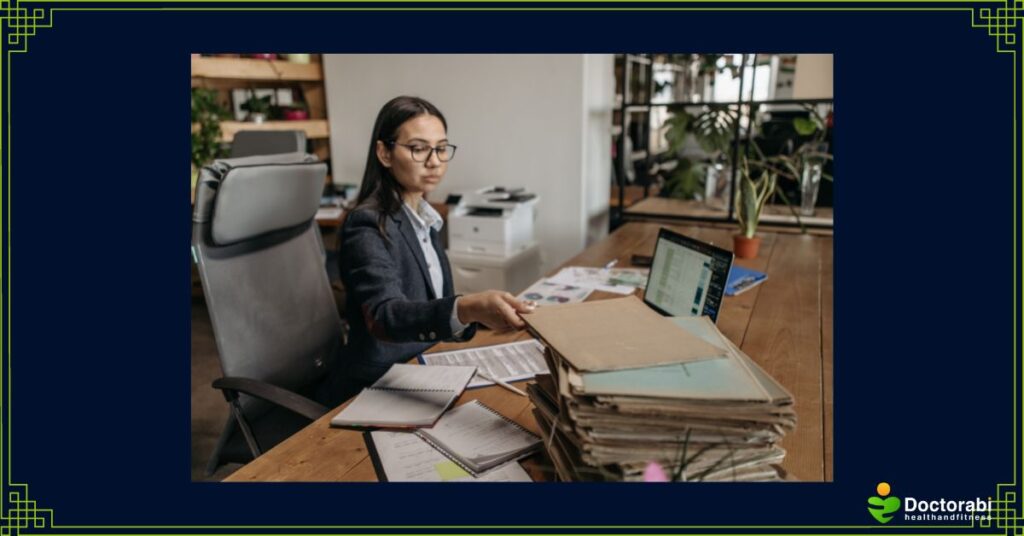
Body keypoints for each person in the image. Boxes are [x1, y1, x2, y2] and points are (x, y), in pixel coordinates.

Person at [318, 96, 535, 405]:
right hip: (375, 383)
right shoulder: (366, 224)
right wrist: (466, 307)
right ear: (384, 153)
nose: (434, 161)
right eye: (418, 148)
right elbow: (385, 316)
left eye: (442, 148)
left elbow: (429, 307)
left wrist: (480, 317)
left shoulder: (423, 215)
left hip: (423, 367)